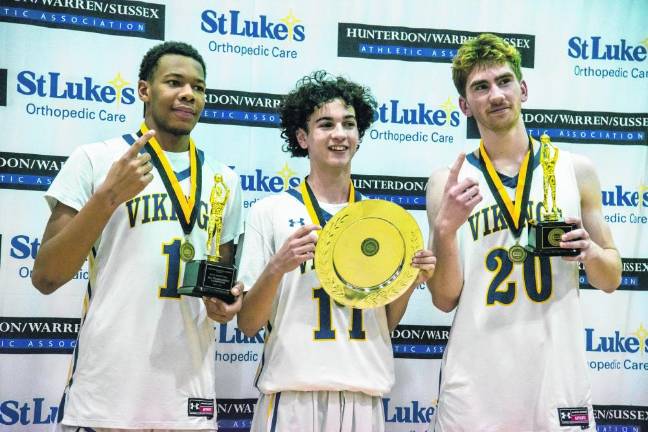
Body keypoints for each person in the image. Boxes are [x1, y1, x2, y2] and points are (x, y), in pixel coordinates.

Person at [32, 41, 244, 431]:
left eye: (198, 87)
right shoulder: (96, 160)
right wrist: (108, 197)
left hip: (187, 397)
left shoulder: (224, 180)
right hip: (107, 392)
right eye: (175, 82)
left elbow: (222, 283)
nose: (188, 94)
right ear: (144, 90)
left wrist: (227, 305)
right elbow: (46, 277)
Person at [426, 33, 621, 431]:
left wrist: (591, 253)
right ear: (465, 105)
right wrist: (444, 232)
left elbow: (612, 277)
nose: (495, 94)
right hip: (476, 383)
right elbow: (445, 299)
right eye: (481, 87)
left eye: (504, 81)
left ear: (523, 89)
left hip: (556, 376)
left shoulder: (574, 170)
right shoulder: (447, 182)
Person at [236, 71, 436, 432]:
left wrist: (410, 280)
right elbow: (248, 323)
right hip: (292, 394)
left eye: (349, 124)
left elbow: (384, 322)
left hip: (363, 393)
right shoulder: (269, 211)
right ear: (302, 137)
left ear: (359, 136)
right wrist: (277, 267)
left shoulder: (382, 221)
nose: (339, 134)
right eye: (325, 124)